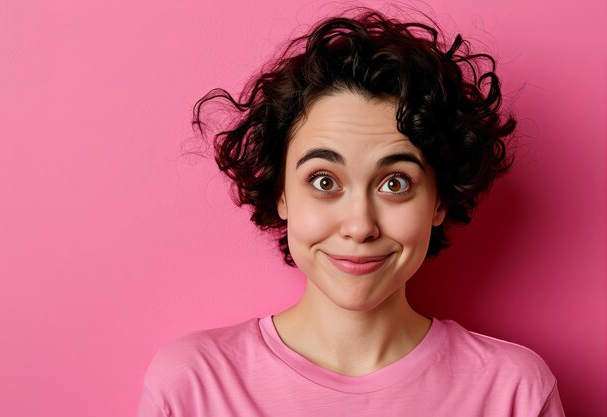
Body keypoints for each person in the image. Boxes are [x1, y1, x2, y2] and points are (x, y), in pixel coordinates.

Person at [138, 8, 565, 416]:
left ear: (439, 201)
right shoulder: (192, 384)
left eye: (394, 183)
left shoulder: (513, 391)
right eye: (325, 182)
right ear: (282, 193)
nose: (360, 226)